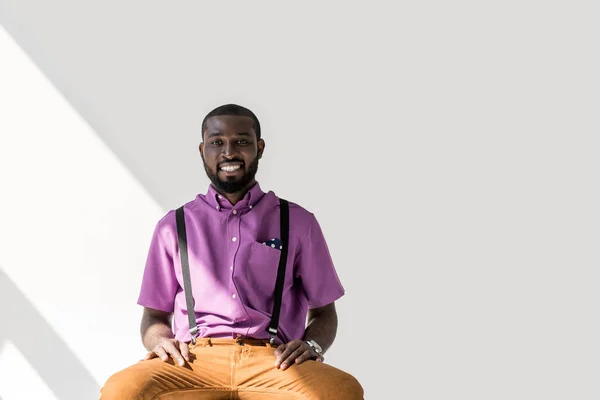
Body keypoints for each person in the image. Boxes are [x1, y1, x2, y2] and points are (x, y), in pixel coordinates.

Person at [100, 104, 364, 399]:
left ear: (259, 148)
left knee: (342, 391)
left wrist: (312, 345)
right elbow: (154, 316)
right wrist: (160, 341)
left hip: (273, 362)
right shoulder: (173, 226)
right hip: (193, 360)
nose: (229, 152)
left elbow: (324, 312)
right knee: (121, 390)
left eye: (241, 141)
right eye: (217, 142)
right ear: (202, 150)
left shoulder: (298, 222)